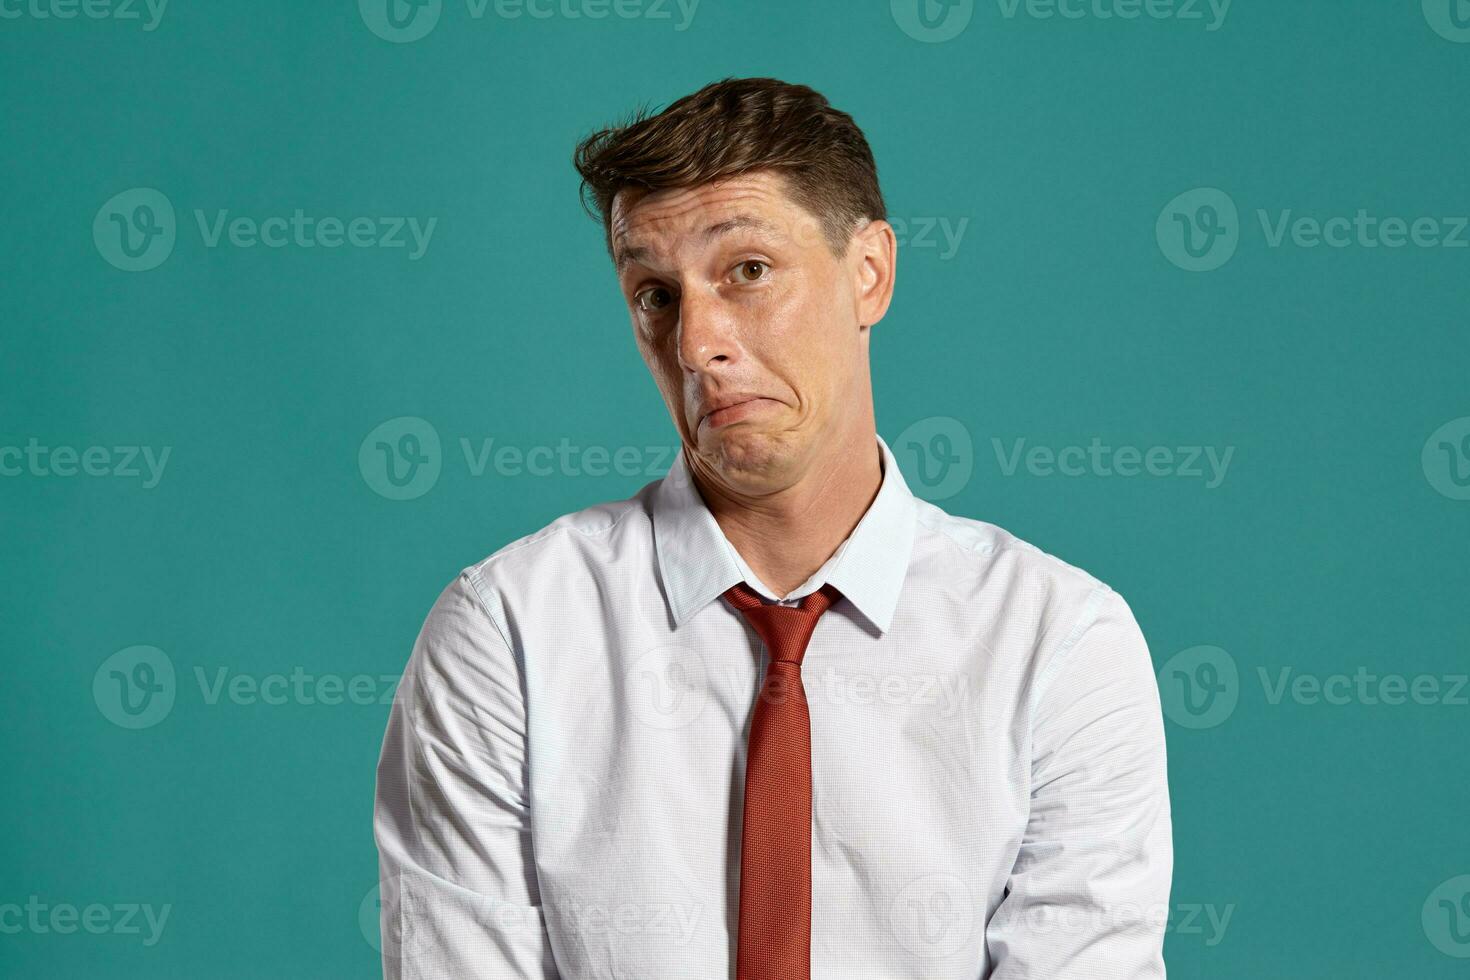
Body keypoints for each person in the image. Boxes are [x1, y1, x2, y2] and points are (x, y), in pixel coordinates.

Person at [373, 75, 1172, 979]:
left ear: (869, 274)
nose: (696, 342)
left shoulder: (1060, 643)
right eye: (654, 294)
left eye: (748, 271)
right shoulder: (507, 633)